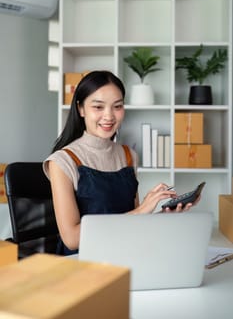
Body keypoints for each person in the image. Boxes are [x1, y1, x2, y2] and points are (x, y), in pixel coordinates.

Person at [43, 70, 197, 255]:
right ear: (81, 109)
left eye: (117, 106)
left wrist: (162, 216)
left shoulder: (128, 155)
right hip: (81, 263)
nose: (109, 116)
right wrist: (140, 212)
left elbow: (133, 224)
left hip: (125, 253)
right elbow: (72, 239)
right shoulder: (62, 161)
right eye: (98, 107)